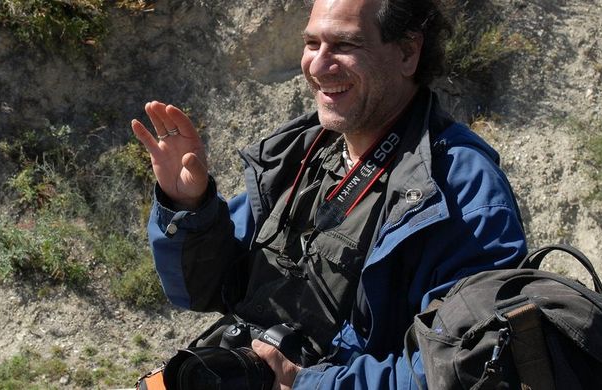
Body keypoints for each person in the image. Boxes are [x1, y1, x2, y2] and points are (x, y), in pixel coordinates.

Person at [130, 0, 527, 388]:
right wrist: (189, 206)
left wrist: (308, 383)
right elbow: (203, 289)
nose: (318, 65)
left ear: (408, 52)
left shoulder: (461, 188)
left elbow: (468, 364)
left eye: (344, 45)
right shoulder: (299, 153)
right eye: (312, 43)